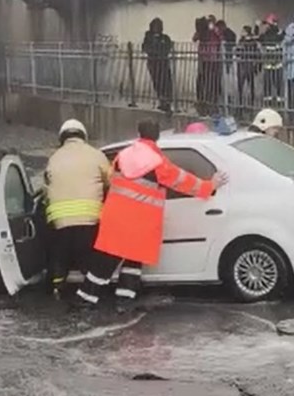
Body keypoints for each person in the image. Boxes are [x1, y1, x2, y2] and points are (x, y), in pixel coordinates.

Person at [76, 119, 228, 306]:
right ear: (157, 138)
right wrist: (210, 185)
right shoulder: (158, 163)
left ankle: (86, 299)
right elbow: (183, 181)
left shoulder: (122, 156)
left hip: (115, 218)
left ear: (139, 134)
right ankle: (124, 300)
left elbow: (110, 179)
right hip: (141, 221)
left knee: (104, 261)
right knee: (133, 262)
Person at [43, 119, 112, 298]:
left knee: (59, 255)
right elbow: (111, 183)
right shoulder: (96, 155)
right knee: (88, 257)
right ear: (83, 135)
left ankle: (58, 287)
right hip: (89, 217)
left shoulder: (54, 158)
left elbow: (47, 187)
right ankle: (91, 291)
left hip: (59, 220)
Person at [142, 17, 174, 113]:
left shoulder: (165, 37)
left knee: (167, 82)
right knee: (158, 83)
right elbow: (145, 48)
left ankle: (167, 101)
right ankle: (162, 101)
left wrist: (161, 52)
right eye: (156, 26)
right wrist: (155, 52)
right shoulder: (148, 37)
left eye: (160, 26)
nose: (159, 28)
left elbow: (168, 47)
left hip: (164, 63)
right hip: (154, 64)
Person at [193, 17, 222, 116]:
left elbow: (220, 37)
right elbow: (194, 38)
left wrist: (213, 29)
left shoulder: (214, 31)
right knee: (202, 82)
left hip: (213, 60)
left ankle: (211, 105)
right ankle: (202, 105)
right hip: (204, 59)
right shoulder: (202, 32)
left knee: (211, 83)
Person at [258, 14, 285, 106]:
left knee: (276, 82)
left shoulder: (277, 34)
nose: (267, 26)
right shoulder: (275, 33)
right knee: (270, 83)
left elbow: (262, 38)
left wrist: (258, 27)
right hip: (270, 62)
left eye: (268, 24)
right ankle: (271, 100)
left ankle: (277, 101)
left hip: (276, 62)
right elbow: (260, 39)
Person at [236, 25, 261, 108]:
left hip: (249, 64)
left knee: (251, 83)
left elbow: (257, 53)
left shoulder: (253, 42)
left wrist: (256, 63)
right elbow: (237, 51)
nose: (241, 32)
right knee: (240, 83)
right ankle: (240, 100)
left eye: (243, 31)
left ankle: (252, 99)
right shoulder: (241, 41)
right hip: (242, 63)